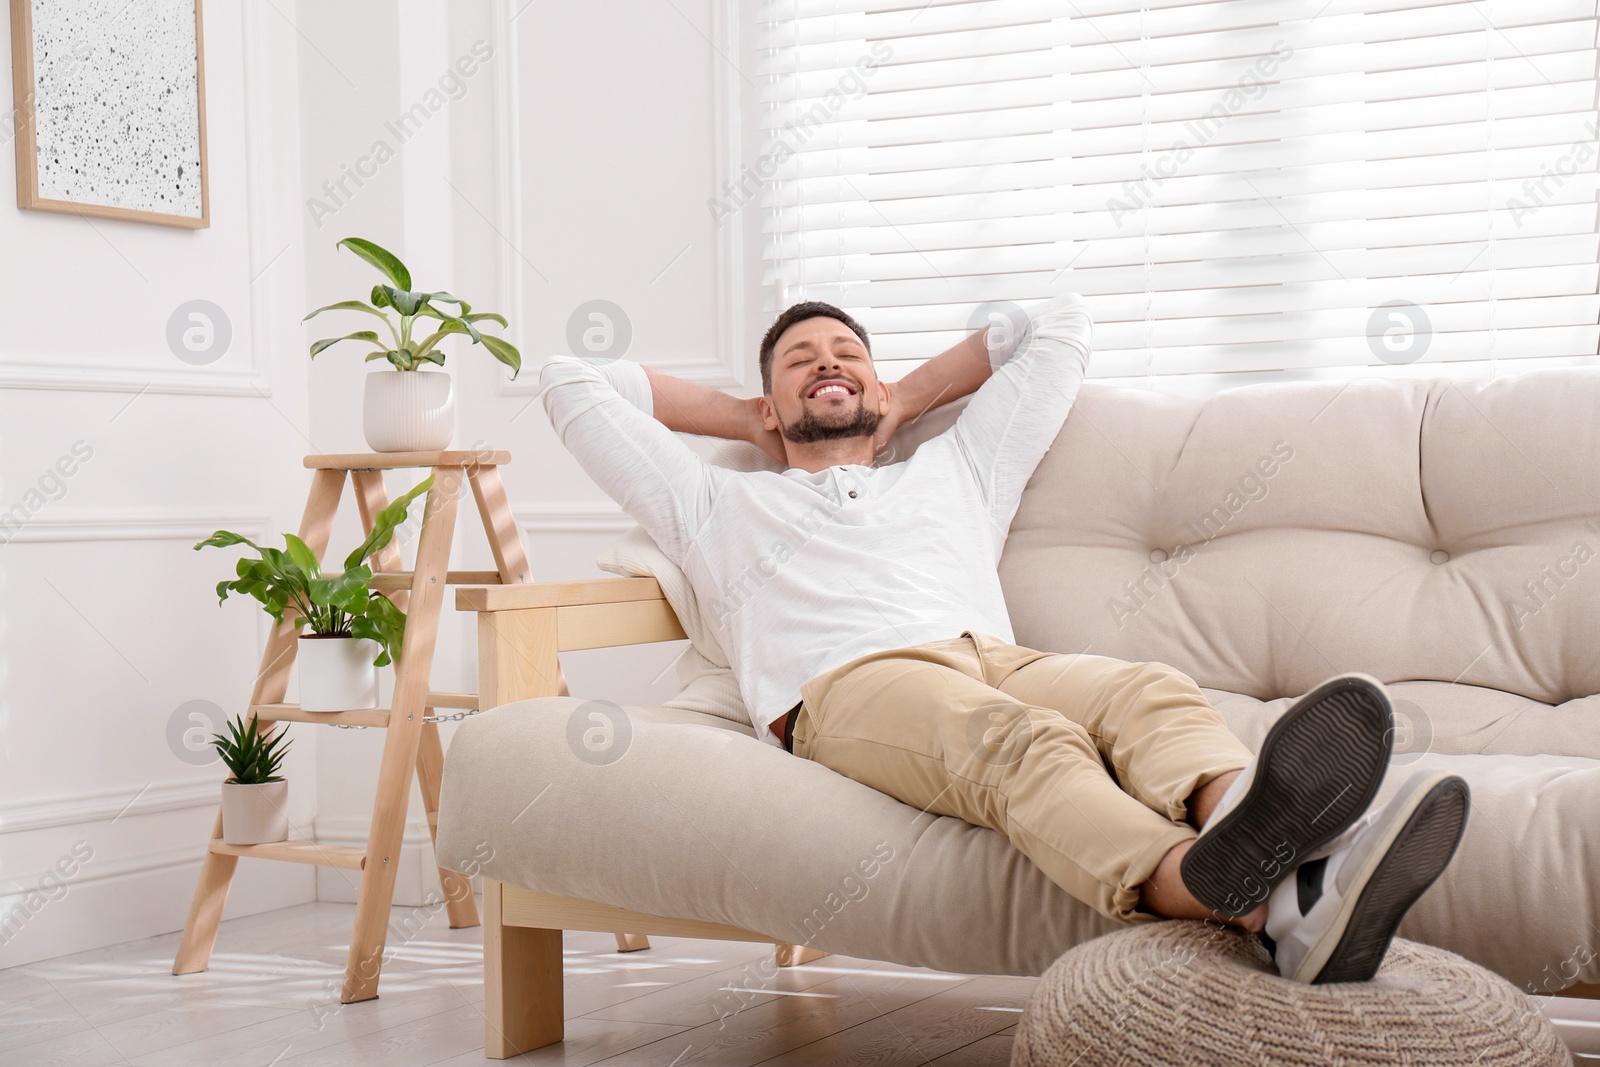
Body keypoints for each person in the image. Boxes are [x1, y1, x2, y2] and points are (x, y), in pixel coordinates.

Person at [536, 292, 1470, 984]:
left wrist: (905, 396)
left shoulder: (960, 469)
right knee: (1024, 743)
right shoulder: (714, 502)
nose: (829, 362)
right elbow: (571, 380)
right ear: (769, 406)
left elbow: (1055, 325)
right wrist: (745, 419)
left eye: (848, 353)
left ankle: (1253, 838)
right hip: (843, 684)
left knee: (1144, 689)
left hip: (992, 654)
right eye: (800, 361)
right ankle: (1237, 892)